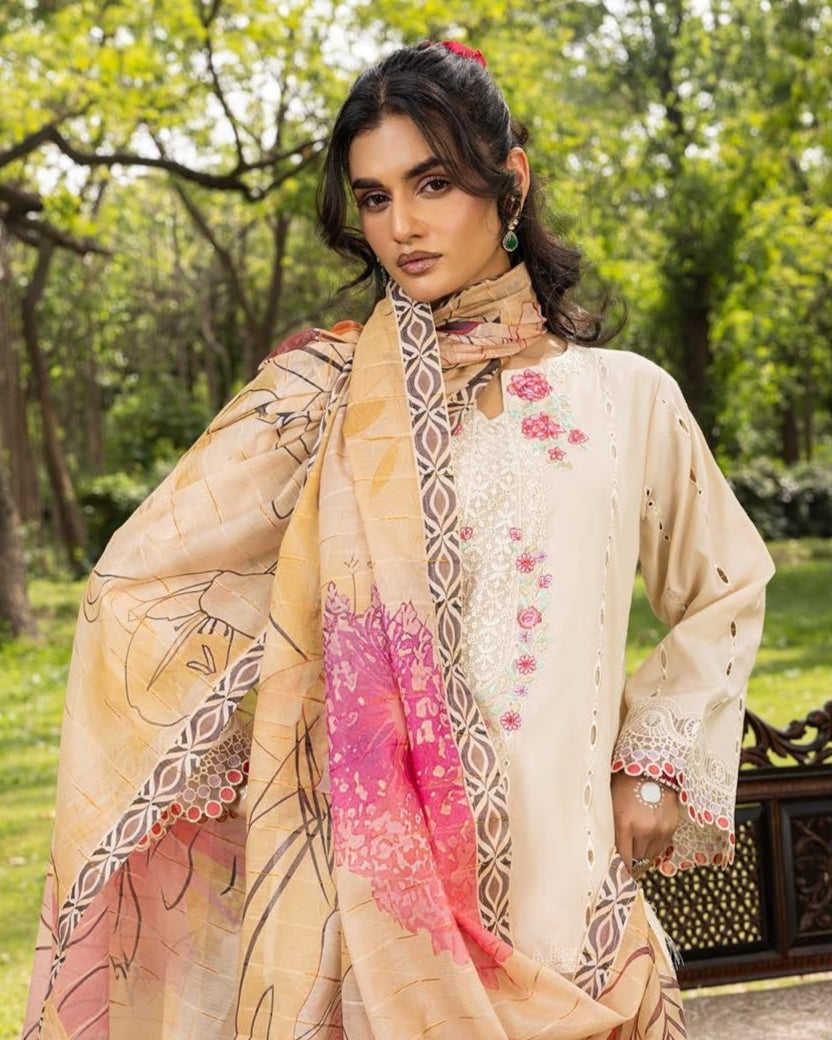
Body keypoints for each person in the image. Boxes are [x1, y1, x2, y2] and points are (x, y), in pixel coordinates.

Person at [24, 40, 774, 1040]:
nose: (402, 225)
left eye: (433, 183)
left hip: (571, 878)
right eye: (374, 198)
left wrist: (654, 763)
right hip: (372, 891)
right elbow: (137, 584)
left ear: (510, 182)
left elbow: (725, 584)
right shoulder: (321, 399)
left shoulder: (626, 396)